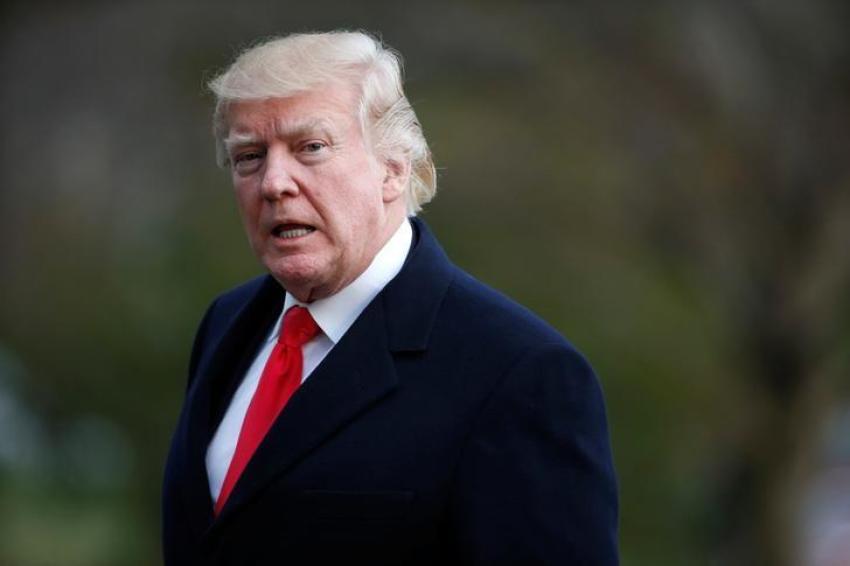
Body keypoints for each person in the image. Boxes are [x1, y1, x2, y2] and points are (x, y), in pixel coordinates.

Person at [162, 30, 618, 565]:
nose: (274, 182)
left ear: (393, 169)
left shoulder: (521, 375)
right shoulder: (228, 323)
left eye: (311, 147)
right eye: (249, 156)